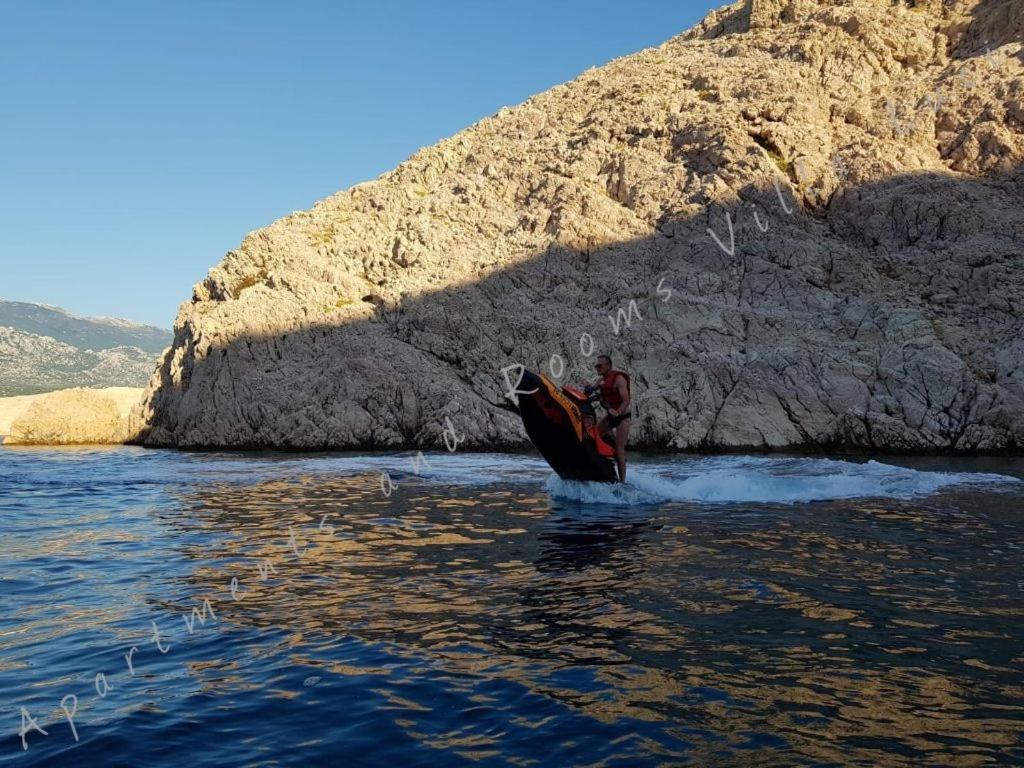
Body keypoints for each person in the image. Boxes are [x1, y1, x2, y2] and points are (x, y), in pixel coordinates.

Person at [586, 354, 631, 483]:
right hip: (610, 416)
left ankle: (622, 483)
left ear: (608, 366)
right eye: (596, 366)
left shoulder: (619, 379)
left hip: (623, 417)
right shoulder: (601, 380)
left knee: (619, 450)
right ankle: (601, 468)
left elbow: (626, 400)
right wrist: (588, 388)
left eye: (600, 366)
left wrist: (618, 412)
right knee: (592, 437)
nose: (597, 368)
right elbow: (591, 391)